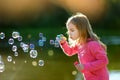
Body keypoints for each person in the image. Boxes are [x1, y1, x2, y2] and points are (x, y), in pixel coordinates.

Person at [59, 12, 109, 80]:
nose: (69, 33)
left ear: (81, 30)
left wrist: (85, 67)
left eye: (72, 30)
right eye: (68, 30)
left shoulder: (93, 44)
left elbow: (104, 61)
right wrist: (63, 43)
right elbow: (69, 51)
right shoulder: (79, 44)